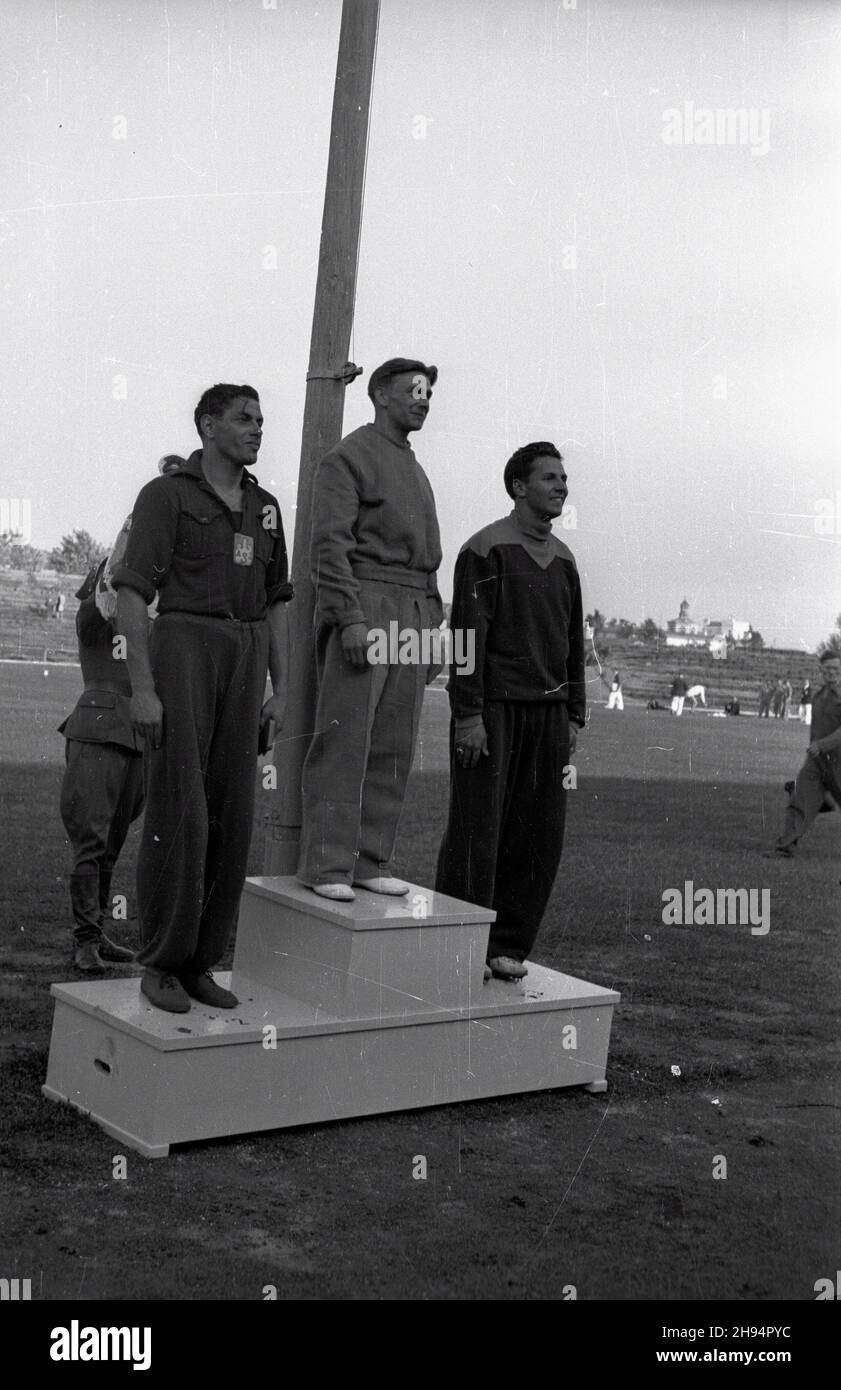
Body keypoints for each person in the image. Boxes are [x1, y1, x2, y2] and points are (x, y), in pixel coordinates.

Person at [111, 385, 292, 1013]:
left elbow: (275, 603)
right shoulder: (166, 496)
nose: (257, 429)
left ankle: (200, 961)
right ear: (207, 425)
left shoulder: (266, 508)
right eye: (244, 419)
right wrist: (142, 687)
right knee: (178, 813)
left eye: (262, 420)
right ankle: (160, 961)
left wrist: (283, 690)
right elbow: (133, 592)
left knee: (231, 817)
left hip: (246, 655)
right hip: (185, 647)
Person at [434, 441, 586, 982]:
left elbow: (573, 644)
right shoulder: (485, 548)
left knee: (539, 833)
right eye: (549, 477)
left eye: (563, 478)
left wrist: (573, 716)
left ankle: (508, 946)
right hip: (493, 714)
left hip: (548, 717)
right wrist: (468, 715)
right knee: (478, 831)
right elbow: (467, 640)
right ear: (519, 486)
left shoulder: (565, 560)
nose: (561, 486)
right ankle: (456, 946)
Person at [297, 358, 443, 902]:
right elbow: (329, 546)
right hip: (367, 600)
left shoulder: (415, 465)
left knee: (394, 743)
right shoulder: (348, 457)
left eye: (428, 393)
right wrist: (351, 617)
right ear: (381, 395)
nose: (424, 400)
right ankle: (328, 865)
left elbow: (428, 560)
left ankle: (369, 859)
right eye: (414, 390)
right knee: (345, 739)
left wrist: (431, 629)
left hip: (413, 608)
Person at [58, 561, 143, 973]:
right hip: (99, 727)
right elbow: (98, 611)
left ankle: (98, 932)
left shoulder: (140, 618)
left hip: (136, 733)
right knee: (91, 843)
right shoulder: (91, 616)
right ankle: (85, 940)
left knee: (111, 844)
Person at [771, 651, 841, 857]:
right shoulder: (819, 696)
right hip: (817, 762)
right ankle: (786, 846)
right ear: (821, 670)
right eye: (828, 668)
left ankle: (824, 801)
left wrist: (824, 744)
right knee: (800, 800)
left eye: (836, 668)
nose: (832, 672)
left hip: (839, 762)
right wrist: (815, 749)